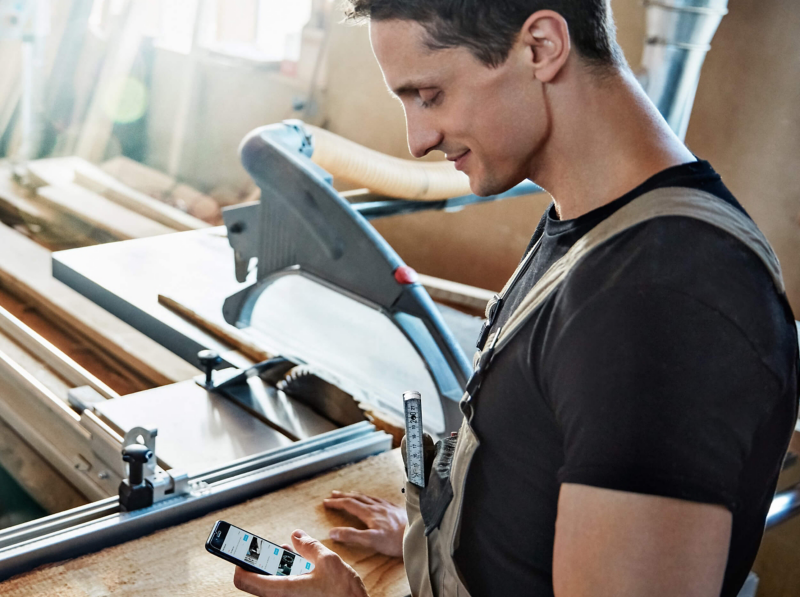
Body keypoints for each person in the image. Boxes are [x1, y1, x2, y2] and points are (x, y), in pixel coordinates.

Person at [232, 1, 799, 596]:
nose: (418, 139)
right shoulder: (591, 224)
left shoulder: (662, 299)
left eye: (430, 94)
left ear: (541, 47)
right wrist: (444, 531)